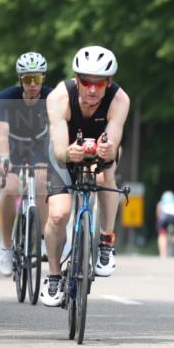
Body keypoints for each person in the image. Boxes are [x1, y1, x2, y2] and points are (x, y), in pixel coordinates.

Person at [41, 46, 130, 308]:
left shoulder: (119, 99)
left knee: (105, 177)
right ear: (77, 79)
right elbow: (58, 152)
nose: (92, 89)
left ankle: (105, 243)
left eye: (100, 83)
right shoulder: (59, 97)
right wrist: (71, 153)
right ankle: (54, 276)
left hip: (100, 153)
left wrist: (107, 151)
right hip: (66, 152)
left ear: (109, 82)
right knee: (58, 215)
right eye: (86, 82)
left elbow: (111, 148)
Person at [0, 52, 53, 276]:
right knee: (10, 189)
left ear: (43, 78)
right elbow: (2, 133)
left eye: (36, 79)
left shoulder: (52, 97)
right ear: (20, 79)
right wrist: (5, 158)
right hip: (13, 145)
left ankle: (48, 240)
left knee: (41, 184)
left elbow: (58, 129)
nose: (32, 84)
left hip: (39, 144)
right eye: (27, 79)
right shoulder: (6, 97)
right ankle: (6, 248)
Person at [155, 190, 174, 258]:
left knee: (162, 235)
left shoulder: (161, 202)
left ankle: (163, 253)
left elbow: (158, 213)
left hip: (164, 219)